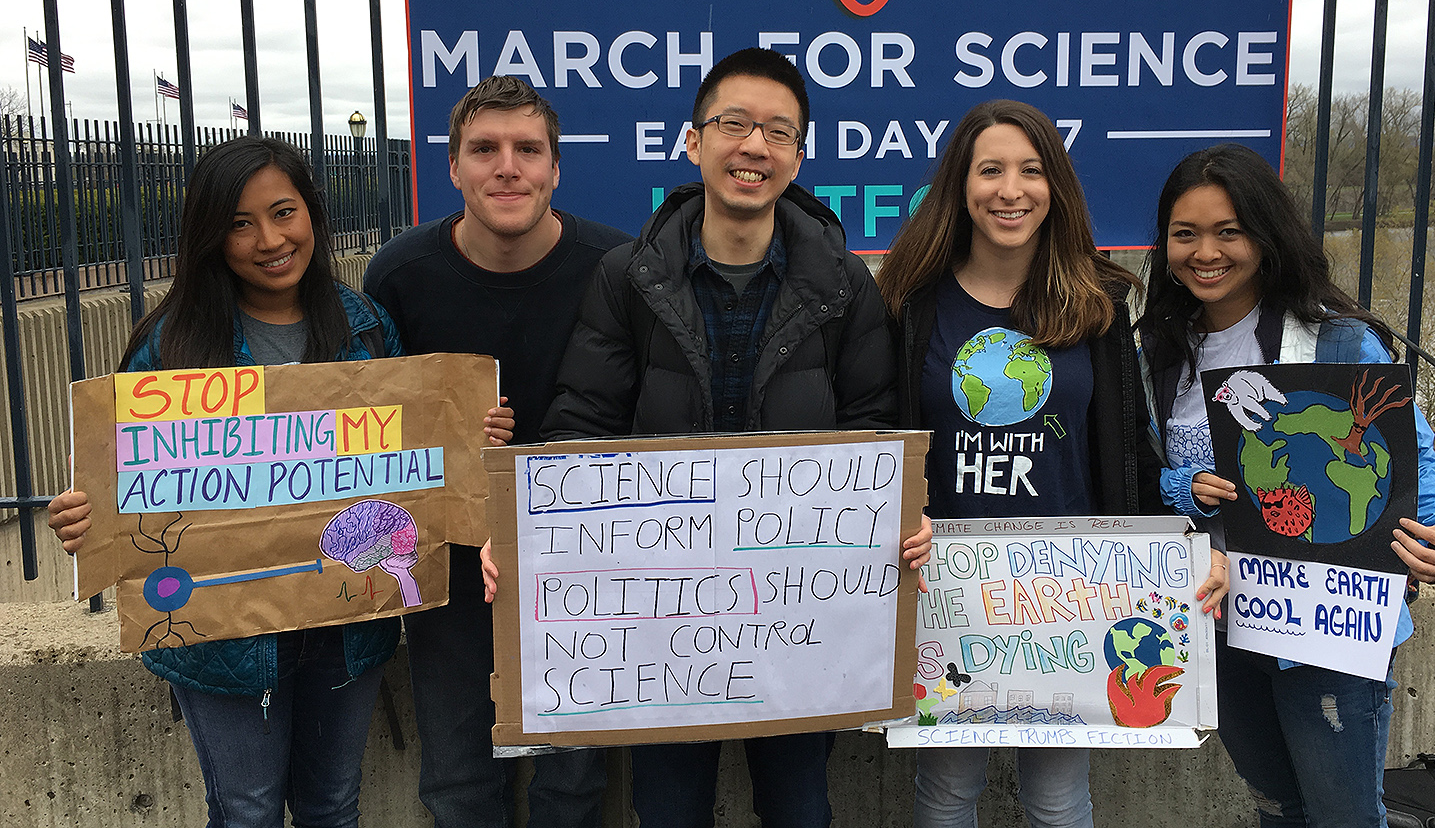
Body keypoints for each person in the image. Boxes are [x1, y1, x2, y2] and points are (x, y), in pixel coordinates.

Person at [503, 47, 929, 828]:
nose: (754, 147)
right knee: (667, 812)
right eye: (733, 124)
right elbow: (582, 426)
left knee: (801, 810)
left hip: (805, 616)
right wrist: (528, 534)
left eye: (778, 132)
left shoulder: (843, 284)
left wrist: (903, 514)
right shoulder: (628, 277)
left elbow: (877, 431)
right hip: (664, 623)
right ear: (693, 141)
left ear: (799, 155)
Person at [46, 136, 405, 828]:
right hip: (223, 637)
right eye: (240, 223)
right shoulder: (171, 345)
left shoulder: (366, 327)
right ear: (211, 236)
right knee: (245, 812)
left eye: (283, 212)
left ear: (312, 215)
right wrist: (83, 516)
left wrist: (471, 436)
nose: (268, 239)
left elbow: (412, 458)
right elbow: (124, 479)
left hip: (344, 624)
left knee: (335, 806)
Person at [1136, 143, 1435, 828]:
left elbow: (1407, 462)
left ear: (1266, 238)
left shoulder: (1338, 342)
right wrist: (1180, 486)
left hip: (1326, 631)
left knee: (1344, 816)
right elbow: (1135, 475)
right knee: (1277, 804)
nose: (1205, 252)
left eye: (1228, 231)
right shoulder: (1153, 350)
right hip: (1219, 625)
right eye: (1185, 234)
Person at [874, 100, 1163, 828]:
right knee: (944, 795)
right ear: (959, 187)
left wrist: (1179, 550)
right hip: (945, 594)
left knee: (1059, 799)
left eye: (1032, 171)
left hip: (1068, 595)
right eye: (991, 170)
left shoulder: (1099, 303)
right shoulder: (910, 305)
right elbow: (880, 435)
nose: (1011, 190)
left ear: (1055, 186)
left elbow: (1130, 444)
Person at [362, 75, 630, 828]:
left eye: (527, 149)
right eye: (485, 149)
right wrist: (451, 443)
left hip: (582, 560)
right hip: (447, 564)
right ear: (453, 168)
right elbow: (378, 425)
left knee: (572, 778)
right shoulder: (398, 275)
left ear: (554, 167)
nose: (507, 166)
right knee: (456, 775)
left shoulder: (616, 267)